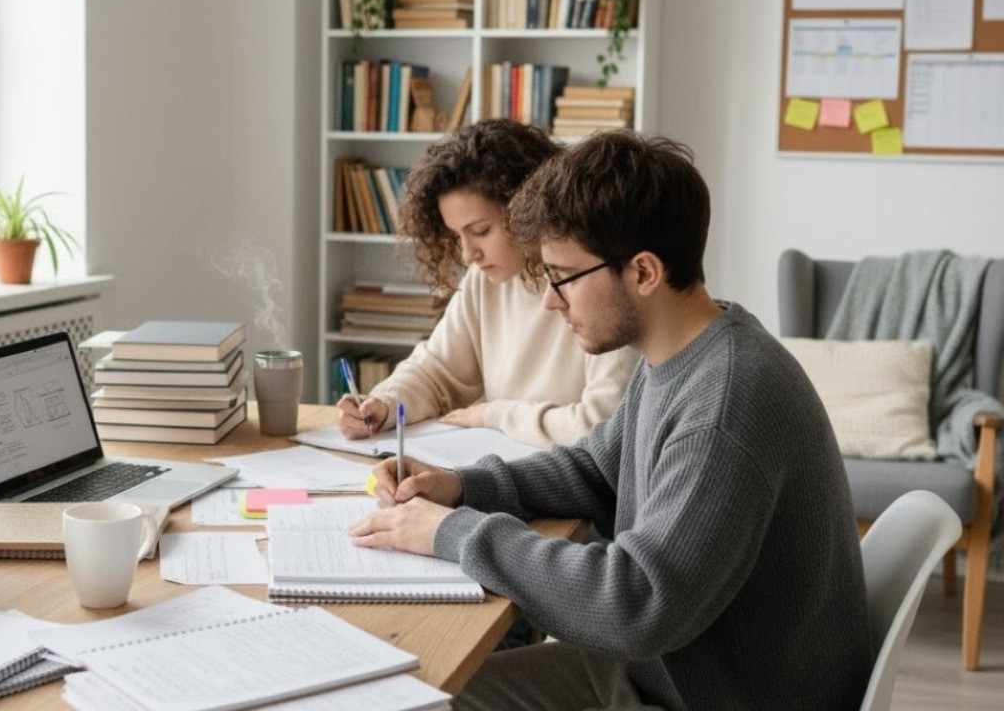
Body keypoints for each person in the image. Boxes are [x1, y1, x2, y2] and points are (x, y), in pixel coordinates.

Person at [349, 130, 873, 710]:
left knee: (418, 701)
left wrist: (453, 533)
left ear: (644, 273)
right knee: (423, 694)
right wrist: (465, 486)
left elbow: (636, 602)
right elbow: (600, 469)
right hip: (673, 671)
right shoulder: (683, 351)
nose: (549, 301)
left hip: (710, 692)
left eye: (563, 276)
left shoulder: (725, 405)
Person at [337, 119, 639, 448]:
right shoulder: (486, 281)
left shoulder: (598, 281)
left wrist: (495, 414)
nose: (468, 254)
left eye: (480, 231)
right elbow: (436, 370)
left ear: (526, 209)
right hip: (506, 472)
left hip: (563, 481)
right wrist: (385, 403)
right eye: (457, 236)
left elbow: (602, 427)